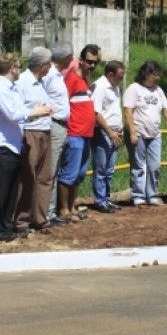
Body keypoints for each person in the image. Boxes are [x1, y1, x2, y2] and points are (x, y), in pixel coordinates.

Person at [0, 53, 52, 241]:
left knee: (12, 189)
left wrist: (34, 112)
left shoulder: (12, 89)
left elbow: (21, 110)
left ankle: (7, 225)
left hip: (14, 146)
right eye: (20, 66)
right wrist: (34, 112)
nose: (21, 70)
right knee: (2, 189)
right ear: (13, 68)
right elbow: (13, 114)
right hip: (1, 146)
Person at [124, 60, 167, 207]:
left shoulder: (158, 90)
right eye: (155, 75)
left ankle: (152, 195)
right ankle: (138, 196)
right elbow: (128, 112)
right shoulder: (134, 89)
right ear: (146, 74)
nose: (157, 77)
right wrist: (132, 132)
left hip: (154, 135)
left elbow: (166, 111)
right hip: (138, 133)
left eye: (158, 75)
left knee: (154, 166)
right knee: (138, 166)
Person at [14, 47, 56, 232]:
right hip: (30, 132)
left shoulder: (41, 83)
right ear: (41, 65)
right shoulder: (22, 82)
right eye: (48, 64)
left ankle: (40, 218)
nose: (50, 67)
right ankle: (21, 220)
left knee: (44, 177)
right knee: (27, 177)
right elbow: (17, 110)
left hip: (45, 131)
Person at [56, 45, 99, 222]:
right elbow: (63, 103)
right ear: (80, 61)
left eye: (96, 62)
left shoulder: (85, 81)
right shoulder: (72, 80)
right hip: (74, 134)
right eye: (89, 61)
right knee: (69, 173)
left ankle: (72, 206)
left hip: (86, 135)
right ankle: (64, 209)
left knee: (79, 174)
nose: (92, 65)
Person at [91, 60, 126, 213]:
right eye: (120, 75)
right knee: (101, 168)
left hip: (114, 132)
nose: (122, 79)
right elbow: (96, 113)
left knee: (110, 169)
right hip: (103, 132)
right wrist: (109, 131)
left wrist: (119, 128)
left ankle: (106, 198)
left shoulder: (115, 88)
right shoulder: (99, 87)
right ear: (110, 74)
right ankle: (99, 201)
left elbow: (113, 110)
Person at [44, 40, 73, 224]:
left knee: (56, 169)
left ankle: (51, 211)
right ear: (65, 57)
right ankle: (47, 213)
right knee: (50, 170)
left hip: (61, 125)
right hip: (53, 124)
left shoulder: (58, 75)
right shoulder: (48, 75)